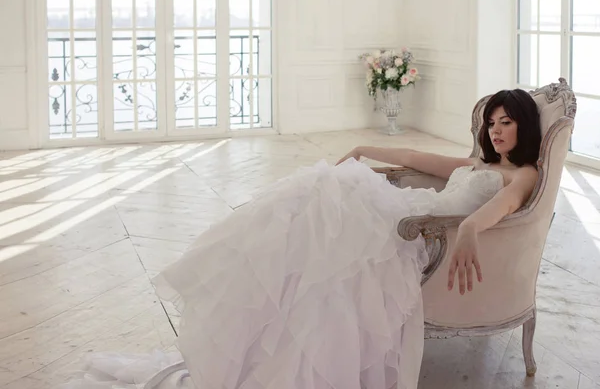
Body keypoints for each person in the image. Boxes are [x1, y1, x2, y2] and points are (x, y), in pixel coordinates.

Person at [58, 88, 541, 389]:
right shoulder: (479, 164)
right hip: (412, 215)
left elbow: (500, 209)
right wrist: (363, 147)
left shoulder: (522, 174)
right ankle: (258, 303)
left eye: (507, 122)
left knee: (327, 225)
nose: (496, 131)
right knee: (313, 204)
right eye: (492, 122)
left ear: (525, 126)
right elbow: (417, 155)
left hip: (422, 232)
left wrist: (471, 229)